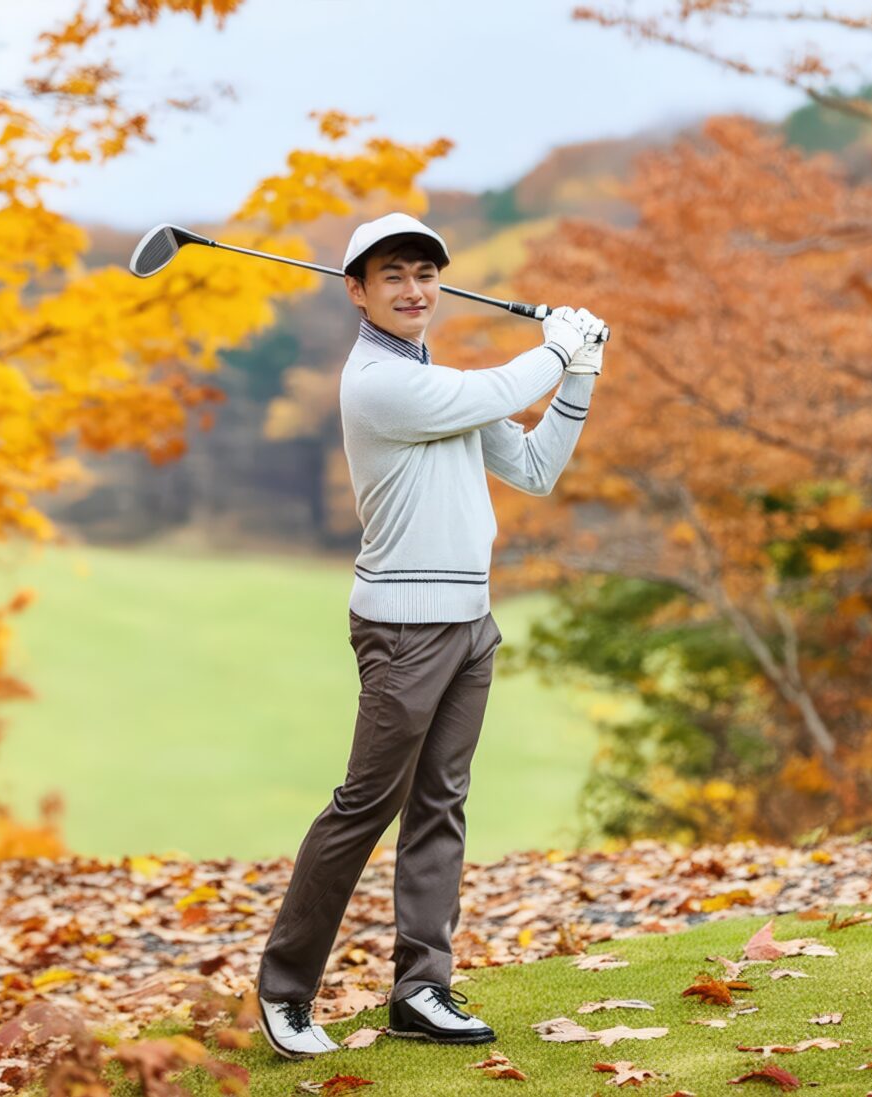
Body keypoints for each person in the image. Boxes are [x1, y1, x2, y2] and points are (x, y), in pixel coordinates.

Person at [253, 211, 607, 1058]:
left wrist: (581, 373)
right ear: (358, 292)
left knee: (440, 806)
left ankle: (421, 988)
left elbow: (534, 467)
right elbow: (496, 392)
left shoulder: (435, 381)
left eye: (425, 274)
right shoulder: (381, 384)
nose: (414, 290)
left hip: (469, 621)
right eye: (393, 277)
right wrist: (557, 346)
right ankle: (285, 990)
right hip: (404, 630)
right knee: (364, 805)